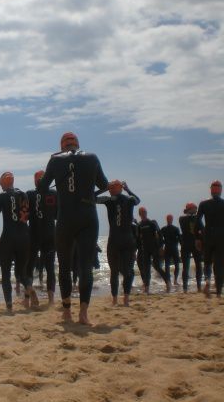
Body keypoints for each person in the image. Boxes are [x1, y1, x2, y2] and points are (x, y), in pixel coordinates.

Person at [38, 132, 108, 325]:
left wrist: (59, 181)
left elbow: (42, 188)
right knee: (85, 267)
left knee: (65, 266)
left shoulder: (55, 160)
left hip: (65, 217)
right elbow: (103, 184)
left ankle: (67, 311)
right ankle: (83, 313)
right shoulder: (92, 157)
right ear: (77, 144)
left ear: (62, 146)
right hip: (88, 215)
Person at [0, 171, 38, 312]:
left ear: (4, 182)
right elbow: (22, 219)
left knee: (5, 273)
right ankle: (29, 287)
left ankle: (9, 306)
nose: (0, 186)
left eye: (0, 183)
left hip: (8, 238)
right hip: (24, 237)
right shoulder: (24, 195)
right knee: (21, 273)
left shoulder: (1, 197)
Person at [96, 180, 140, 306]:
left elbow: (92, 198)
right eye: (110, 188)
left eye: (112, 188)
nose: (111, 190)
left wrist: (104, 188)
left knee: (121, 271)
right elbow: (138, 200)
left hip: (120, 240)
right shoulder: (122, 199)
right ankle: (120, 299)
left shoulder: (117, 200)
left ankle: (120, 299)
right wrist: (126, 189)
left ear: (118, 188)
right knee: (122, 271)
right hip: (122, 240)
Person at [26, 170, 57, 304]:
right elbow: (58, 215)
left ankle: (28, 298)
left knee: (31, 266)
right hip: (47, 234)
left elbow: (24, 216)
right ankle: (50, 300)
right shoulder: (54, 194)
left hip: (35, 234)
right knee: (49, 267)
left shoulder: (30, 194)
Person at [197, 180, 224, 297]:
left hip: (208, 235)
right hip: (221, 237)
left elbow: (198, 221)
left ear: (211, 191)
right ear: (221, 191)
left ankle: (207, 281)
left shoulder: (204, 204)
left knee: (207, 262)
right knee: (219, 265)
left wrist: (199, 236)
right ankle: (218, 292)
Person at [136, 207, 171, 294]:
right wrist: (137, 250)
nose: (144, 213)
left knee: (157, 266)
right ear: (140, 214)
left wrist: (160, 247)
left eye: (145, 212)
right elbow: (138, 239)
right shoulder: (139, 225)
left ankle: (168, 282)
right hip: (145, 249)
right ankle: (147, 287)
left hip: (154, 248)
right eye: (142, 212)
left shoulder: (152, 222)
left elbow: (159, 234)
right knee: (146, 268)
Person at [179, 202, 203, 292]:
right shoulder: (192, 219)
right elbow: (202, 229)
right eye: (195, 208)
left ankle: (185, 288)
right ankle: (198, 286)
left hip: (185, 244)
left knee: (187, 266)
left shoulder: (182, 219)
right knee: (197, 265)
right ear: (191, 209)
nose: (196, 210)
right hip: (194, 244)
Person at [160, 214, 181, 285]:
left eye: (170, 219)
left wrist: (182, 247)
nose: (169, 220)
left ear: (172, 219)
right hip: (167, 248)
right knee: (167, 266)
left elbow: (179, 239)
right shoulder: (163, 229)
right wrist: (161, 248)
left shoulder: (176, 229)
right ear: (166, 219)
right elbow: (160, 240)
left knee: (177, 265)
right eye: (168, 219)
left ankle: (175, 280)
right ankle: (168, 280)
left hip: (174, 248)